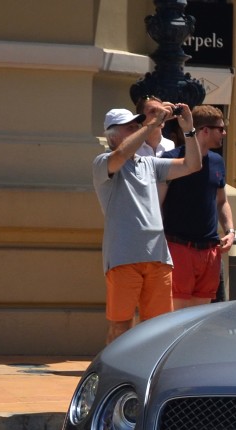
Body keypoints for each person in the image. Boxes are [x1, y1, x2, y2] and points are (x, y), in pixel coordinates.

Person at [92, 103, 200, 344]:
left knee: (157, 330)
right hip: (123, 258)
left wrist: (189, 131)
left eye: (136, 125)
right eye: (130, 126)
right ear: (113, 134)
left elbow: (192, 165)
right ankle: (115, 376)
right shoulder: (102, 162)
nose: (137, 129)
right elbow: (119, 156)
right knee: (121, 327)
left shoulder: (149, 163)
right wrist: (151, 123)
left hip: (158, 257)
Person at [162, 105, 235, 309]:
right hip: (178, 247)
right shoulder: (170, 159)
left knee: (199, 317)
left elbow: (221, 201)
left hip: (210, 251)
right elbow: (157, 203)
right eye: (220, 129)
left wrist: (230, 230)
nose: (224, 133)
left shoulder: (218, 161)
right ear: (204, 130)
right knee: (176, 318)